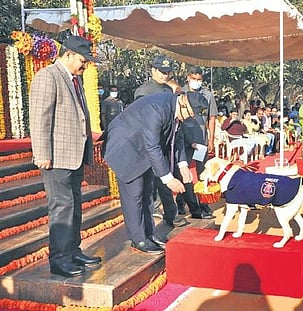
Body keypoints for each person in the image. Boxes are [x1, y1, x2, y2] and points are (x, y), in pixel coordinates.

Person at [29, 36, 101, 277]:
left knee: (75, 205)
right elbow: (40, 118)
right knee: (62, 207)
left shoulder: (74, 79)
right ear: (68, 54)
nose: (85, 65)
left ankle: (73, 250)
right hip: (56, 157)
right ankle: (59, 259)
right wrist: (42, 153)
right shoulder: (48, 76)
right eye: (83, 60)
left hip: (74, 155)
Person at [104, 92, 207, 253]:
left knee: (147, 194)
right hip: (127, 148)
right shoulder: (157, 108)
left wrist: (183, 165)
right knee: (134, 194)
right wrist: (168, 178)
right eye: (190, 114)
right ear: (184, 103)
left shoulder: (176, 109)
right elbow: (153, 145)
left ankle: (149, 234)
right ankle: (138, 239)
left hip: (143, 151)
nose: (189, 118)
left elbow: (176, 137)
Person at [133, 55, 184, 223]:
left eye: (168, 72)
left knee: (165, 178)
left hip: (164, 143)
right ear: (153, 70)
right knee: (150, 182)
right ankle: (154, 212)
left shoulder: (168, 90)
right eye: (162, 71)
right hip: (148, 143)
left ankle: (171, 213)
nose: (164, 75)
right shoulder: (143, 91)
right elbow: (140, 119)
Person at [175, 65, 217, 218]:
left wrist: (211, 139)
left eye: (199, 79)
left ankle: (203, 203)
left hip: (200, 138)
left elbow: (212, 118)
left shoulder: (207, 95)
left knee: (202, 171)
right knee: (182, 169)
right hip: (183, 138)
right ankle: (181, 201)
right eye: (194, 79)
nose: (196, 82)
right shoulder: (180, 92)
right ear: (188, 77)